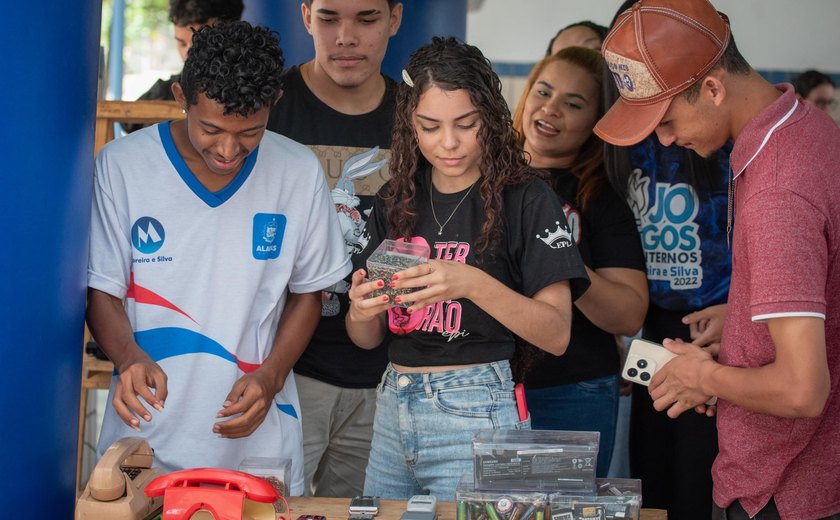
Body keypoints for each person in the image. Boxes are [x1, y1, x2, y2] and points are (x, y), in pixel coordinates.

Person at [595, 1, 840, 518]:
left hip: (781, 487)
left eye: (665, 120)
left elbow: (801, 390)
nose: (663, 140)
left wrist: (701, 378)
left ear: (711, 87)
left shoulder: (777, 188)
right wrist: (750, 318)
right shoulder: (806, 127)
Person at [87, 21, 351, 495]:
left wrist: (270, 378)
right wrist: (128, 358)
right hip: (145, 438)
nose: (229, 150)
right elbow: (101, 288)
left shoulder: (297, 171)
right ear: (181, 96)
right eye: (210, 128)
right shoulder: (123, 166)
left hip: (258, 442)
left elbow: (311, 293)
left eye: (250, 132)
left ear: (274, 106)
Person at [345, 37, 590, 501]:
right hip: (393, 401)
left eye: (466, 124)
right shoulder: (395, 199)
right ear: (409, 126)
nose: (449, 142)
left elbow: (556, 334)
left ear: (491, 120)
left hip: (478, 407)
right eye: (430, 127)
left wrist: (470, 282)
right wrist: (360, 312)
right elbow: (368, 338)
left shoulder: (527, 198)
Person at [265, 0, 403, 498]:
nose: (346, 36)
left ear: (395, 19)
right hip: (279, 375)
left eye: (366, 18)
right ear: (305, 17)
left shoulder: (423, 118)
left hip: (388, 375)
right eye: (329, 18)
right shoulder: (268, 106)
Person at [511, 46, 647, 477]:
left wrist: (562, 261)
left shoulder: (599, 197)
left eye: (573, 104)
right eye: (544, 92)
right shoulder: (478, 174)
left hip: (573, 389)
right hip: (478, 386)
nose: (550, 110)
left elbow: (629, 314)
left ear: (597, 121)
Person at [122, 0, 244, 134]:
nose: (188, 55)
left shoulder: (256, 95)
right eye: (182, 43)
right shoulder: (162, 93)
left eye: (199, 43)